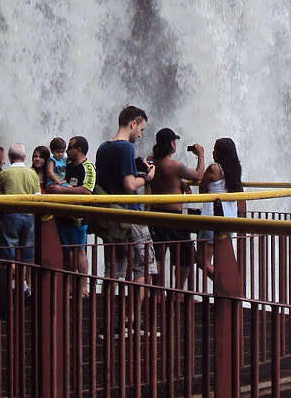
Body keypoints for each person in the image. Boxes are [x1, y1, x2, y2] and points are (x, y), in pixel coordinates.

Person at [95, 106, 153, 280]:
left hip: (112, 218)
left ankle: (109, 307)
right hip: (131, 214)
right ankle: (136, 308)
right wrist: (149, 177)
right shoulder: (126, 147)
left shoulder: (103, 147)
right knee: (143, 267)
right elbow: (129, 185)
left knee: (112, 271)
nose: (140, 135)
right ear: (133, 124)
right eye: (141, 129)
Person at [148, 128, 205, 287]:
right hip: (173, 216)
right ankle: (178, 292)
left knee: (158, 254)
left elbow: (166, 178)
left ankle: (157, 291)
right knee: (184, 256)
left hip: (154, 215)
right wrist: (200, 155)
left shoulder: (151, 161)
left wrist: (179, 181)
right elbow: (198, 175)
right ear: (171, 144)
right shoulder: (174, 166)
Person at [51, 135, 96, 281]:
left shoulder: (88, 168)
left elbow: (87, 190)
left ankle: (83, 286)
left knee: (79, 250)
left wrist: (62, 191)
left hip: (78, 216)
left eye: (69, 148)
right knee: (66, 250)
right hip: (63, 213)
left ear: (78, 149)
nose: (66, 151)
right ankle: (68, 285)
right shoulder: (68, 165)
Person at [198, 137, 244, 278]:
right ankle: (230, 286)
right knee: (221, 259)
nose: (213, 152)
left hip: (212, 219)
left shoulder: (214, 169)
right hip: (229, 220)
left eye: (215, 149)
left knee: (203, 262)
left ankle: (229, 288)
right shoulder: (235, 170)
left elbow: (202, 190)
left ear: (221, 153)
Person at [0, 143, 40, 263]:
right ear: (24, 157)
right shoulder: (33, 174)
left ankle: (11, 278)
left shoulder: (4, 174)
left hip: (11, 215)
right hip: (29, 216)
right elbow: (38, 197)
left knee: (9, 251)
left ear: (9, 157)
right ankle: (23, 278)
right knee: (27, 251)